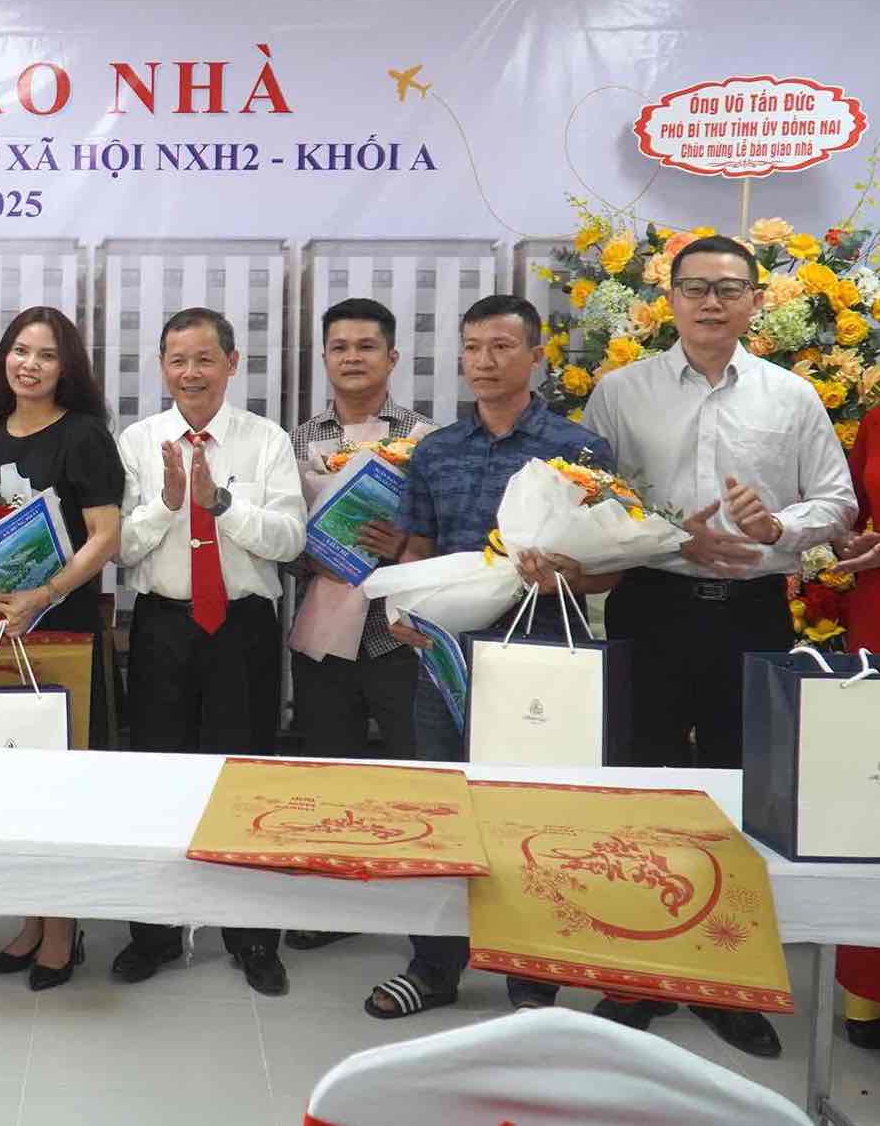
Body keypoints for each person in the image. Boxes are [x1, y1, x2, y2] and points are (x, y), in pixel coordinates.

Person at [585, 234, 856, 1058]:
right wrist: (672, 537)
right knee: (644, 786)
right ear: (668, 299)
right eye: (696, 286)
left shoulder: (791, 396)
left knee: (745, 796)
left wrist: (779, 526)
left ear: (755, 302)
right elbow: (591, 499)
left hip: (752, 616)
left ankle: (724, 976)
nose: (711, 301)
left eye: (729, 288)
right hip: (652, 607)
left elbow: (837, 501)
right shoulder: (620, 391)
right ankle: (637, 974)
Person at [366, 294, 620, 1021]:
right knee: (442, 810)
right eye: (473, 347)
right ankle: (433, 964)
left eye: (502, 347)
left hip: (542, 655)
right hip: (447, 657)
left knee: (534, 813)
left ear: (536, 356)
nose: (484, 361)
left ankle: (532, 974)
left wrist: (566, 573)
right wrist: (403, 612)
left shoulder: (579, 449)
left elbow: (611, 567)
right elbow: (418, 550)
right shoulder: (437, 449)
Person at [112, 307, 304, 994]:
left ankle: (251, 935)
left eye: (203, 359)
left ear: (232, 364)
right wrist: (168, 503)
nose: (190, 373)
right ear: (162, 366)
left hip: (242, 628)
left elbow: (290, 540)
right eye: (177, 360)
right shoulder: (138, 440)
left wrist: (219, 501)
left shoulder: (266, 440)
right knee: (157, 778)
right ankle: (154, 933)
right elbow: (120, 548)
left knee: (245, 780)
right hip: (162, 625)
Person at [0, 305, 124, 990]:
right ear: (4, 359)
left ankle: (62, 930)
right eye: (21, 351)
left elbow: (105, 537)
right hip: (0, 632)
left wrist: (44, 592)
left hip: (63, 627)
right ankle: (30, 921)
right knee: (14, 786)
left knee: (62, 788)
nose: (30, 364)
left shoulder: (85, 437)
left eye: (47, 355)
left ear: (66, 366)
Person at [282, 298, 434, 954]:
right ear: (323, 356)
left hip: (399, 632)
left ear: (392, 357)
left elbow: (444, 531)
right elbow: (280, 534)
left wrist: (405, 544)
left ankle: (421, 910)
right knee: (327, 768)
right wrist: (305, 555)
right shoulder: (296, 440)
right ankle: (333, 902)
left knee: (412, 769)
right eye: (340, 346)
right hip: (325, 627)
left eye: (366, 346)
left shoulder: (426, 438)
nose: (352, 357)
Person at [831, 407, 880, 1049]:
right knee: (869, 802)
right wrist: (846, 544)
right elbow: (850, 511)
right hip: (876, 617)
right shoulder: (875, 420)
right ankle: (867, 985)